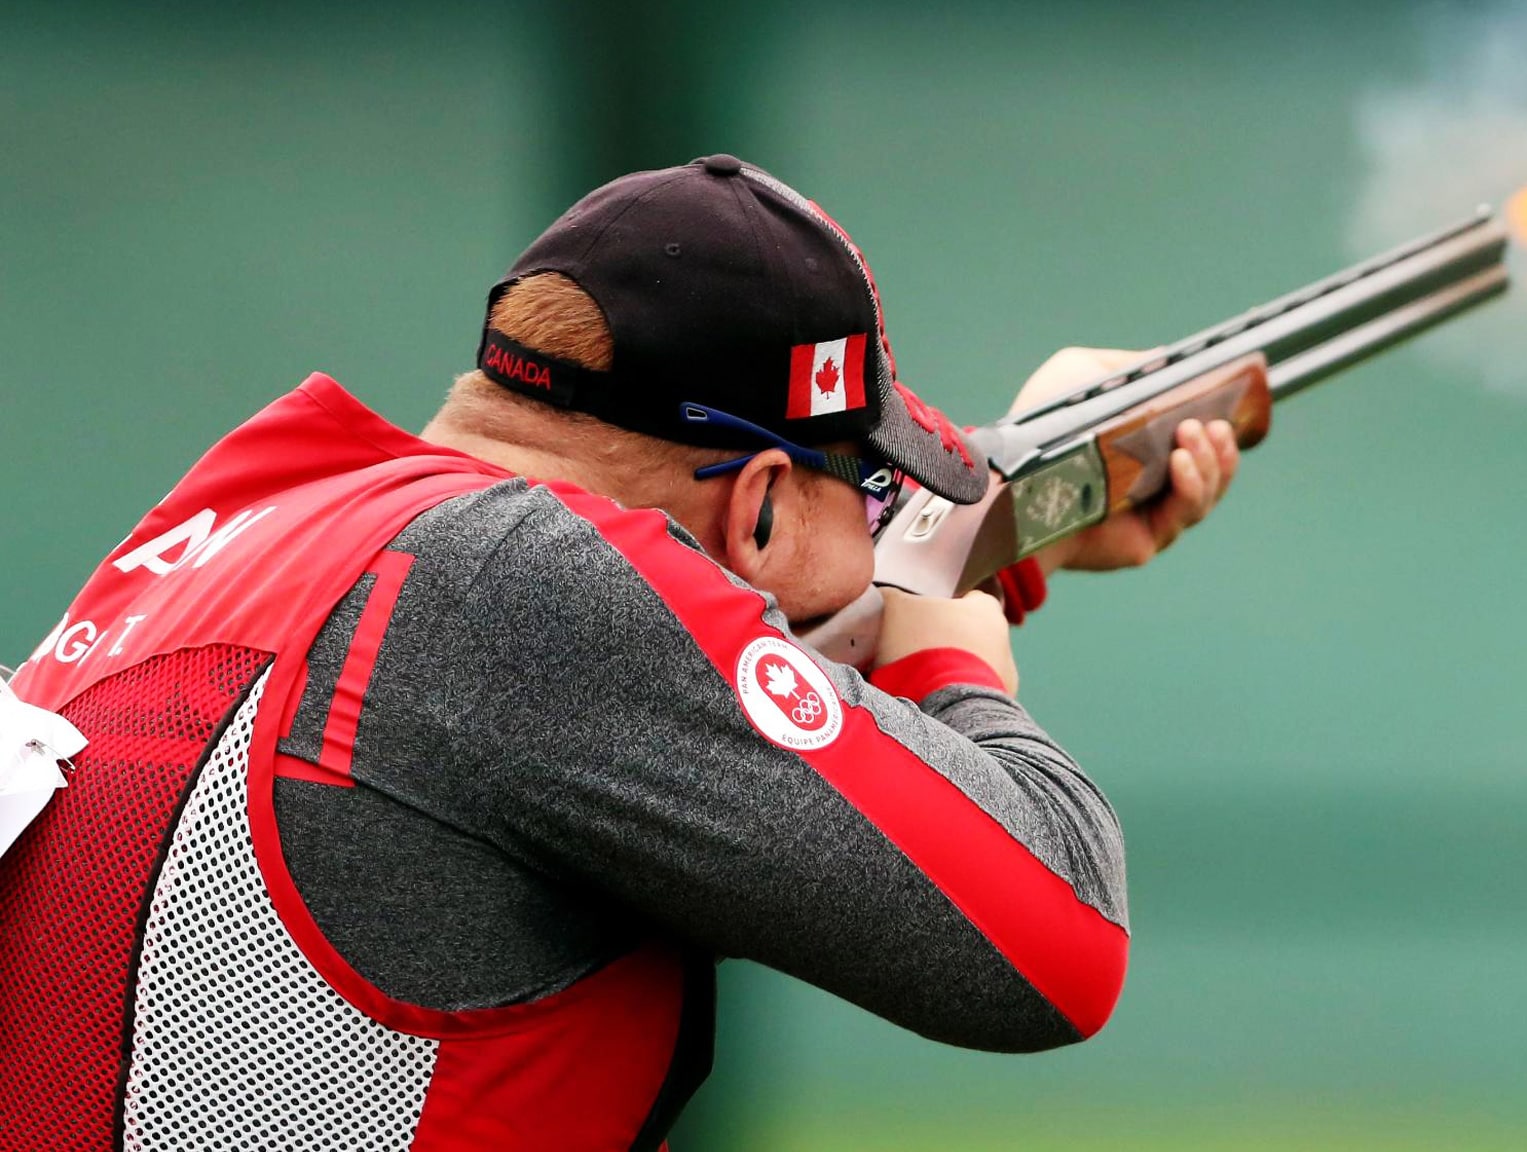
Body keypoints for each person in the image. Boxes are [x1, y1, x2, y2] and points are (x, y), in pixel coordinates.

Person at [0, 155, 1238, 1150]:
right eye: (866, 495)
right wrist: (949, 640)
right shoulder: (526, 584)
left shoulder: (254, 512)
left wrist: (1013, 537)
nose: (880, 538)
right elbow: (1056, 939)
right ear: (754, 501)